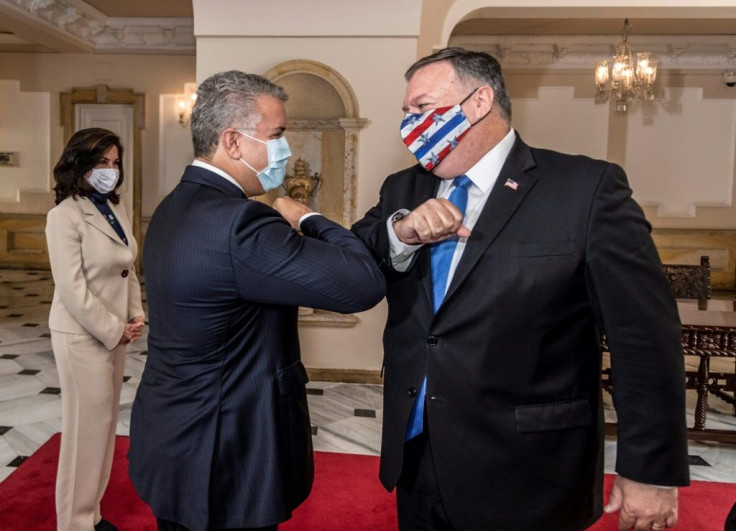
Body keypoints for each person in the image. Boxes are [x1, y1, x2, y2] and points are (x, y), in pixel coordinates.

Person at [351, 47, 690, 530]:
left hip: (530, 469)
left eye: (421, 109)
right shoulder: (403, 190)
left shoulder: (586, 190)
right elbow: (356, 253)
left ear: (478, 102)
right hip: (418, 453)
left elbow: (645, 340)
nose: (407, 124)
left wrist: (651, 470)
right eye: (405, 113)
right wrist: (399, 233)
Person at [128, 70, 386, 531]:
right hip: (225, 450)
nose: (285, 149)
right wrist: (306, 216)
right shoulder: (241, 222)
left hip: (172, 431)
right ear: (232, 141)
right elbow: (361, 283)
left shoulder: (175, 204)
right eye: (277, 135)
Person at [46, 128, 145, 531]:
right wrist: (112, 328)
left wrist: (135, 315)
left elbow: (127, 267)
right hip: (81, 335)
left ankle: (91, 513)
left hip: (114, 331)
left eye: (114, 162)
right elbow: (71, 288)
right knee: (83, 433)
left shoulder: (113, 209)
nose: (109, 170)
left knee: (103, 427)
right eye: (101, 162)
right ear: (78, 164)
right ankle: (74, 523)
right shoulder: (63, 215)